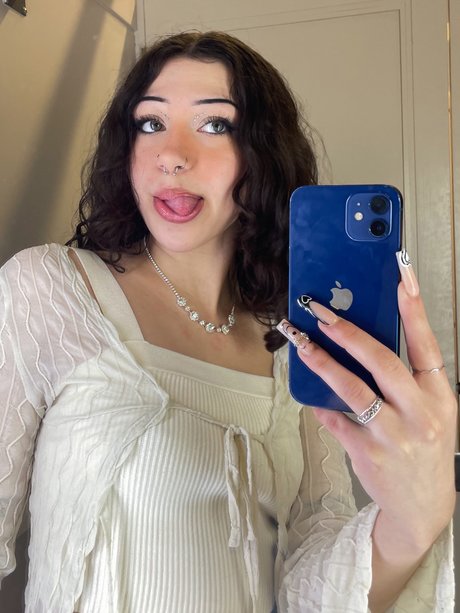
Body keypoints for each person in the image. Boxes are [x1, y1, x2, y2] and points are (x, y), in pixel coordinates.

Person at [0, 30, 456, 613]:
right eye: (150, 123)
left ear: (262, 155)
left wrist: (413, 522)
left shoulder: (296, 347)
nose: (172, 154)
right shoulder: (49, 289)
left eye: (215, 124)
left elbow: (310, 585)